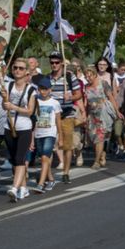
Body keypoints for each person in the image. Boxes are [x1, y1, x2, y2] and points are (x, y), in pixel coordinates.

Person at [2, 58, 36, 201]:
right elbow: (5, 106)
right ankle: (23, 187)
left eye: (21, 68)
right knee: (15, 160)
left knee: (20, 158)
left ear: (27, 71)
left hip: (24, 127)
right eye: (15, 68)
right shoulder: (8, 86)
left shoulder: (31, 90)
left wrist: (13, 107)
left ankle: (14, 188)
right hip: (8, 127)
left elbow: (30, 111)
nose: (17, 70)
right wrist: (5, 102)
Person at [48, 51, 82, 184]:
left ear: (62, 63)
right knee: (49, 144)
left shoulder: (69, 76)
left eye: (57, 62)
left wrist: (71, 97)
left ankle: (66, 172)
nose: (54, 65)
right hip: (51, 115)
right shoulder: (48, 77)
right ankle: (48, 173)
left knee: (67, 145)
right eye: (52, 62)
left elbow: (78, 94)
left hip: (66, 114)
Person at [84, 67, 121, 169]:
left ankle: (96, 161)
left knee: (99, 138)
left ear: (95, 74)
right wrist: (86, 115)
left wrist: (117, 111)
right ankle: (102, 153)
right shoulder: (86, 87)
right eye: (86, 76)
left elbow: (111, 98)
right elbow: (87, 104)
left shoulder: (103, 83)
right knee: (93, 138)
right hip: (92, 115)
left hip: (103, 114)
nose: (88, 78)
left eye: (90, 75)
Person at [31, 76, 61, 192]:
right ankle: (51, 179)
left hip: (50, 133)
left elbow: (58, 120)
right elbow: (33, 119)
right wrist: (32, 137)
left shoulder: (54, 103)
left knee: (44, 157)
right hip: (38, 132)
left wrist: (60, 137)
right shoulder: (35, 100)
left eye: (45, 89)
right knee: (44, 159)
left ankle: (40, 184)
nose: (43, 91)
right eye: (41, 89)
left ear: (50, 90)